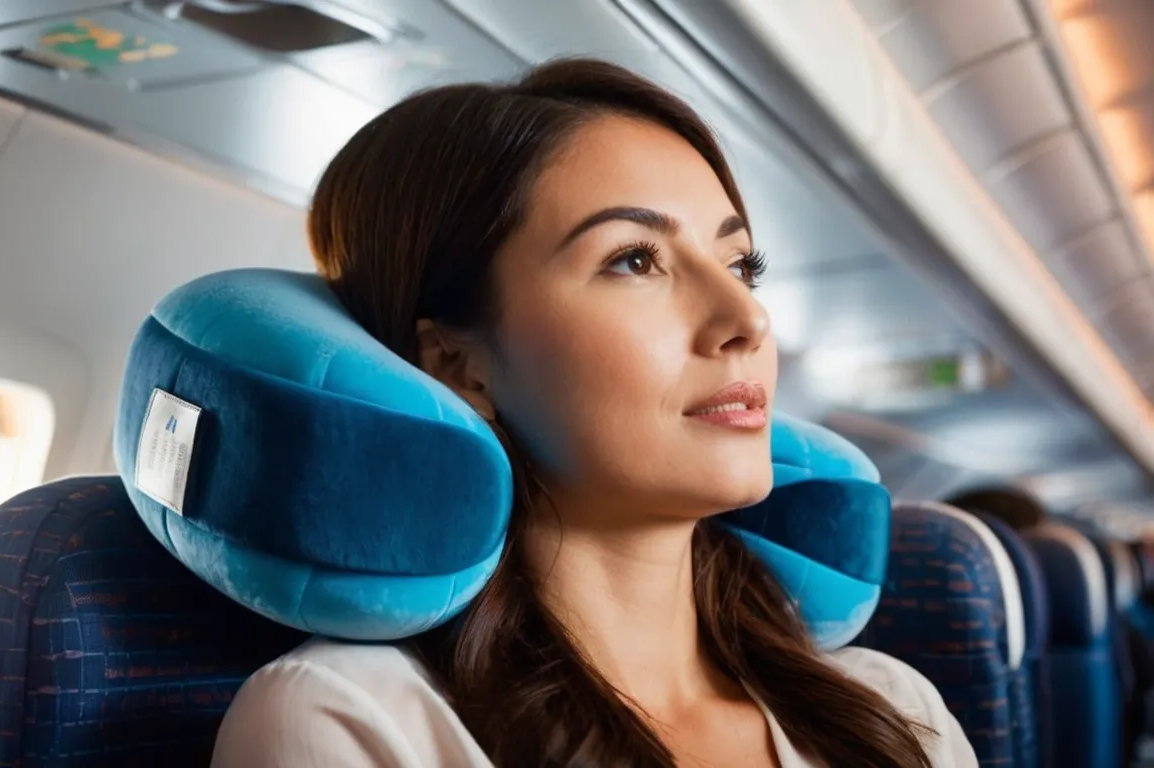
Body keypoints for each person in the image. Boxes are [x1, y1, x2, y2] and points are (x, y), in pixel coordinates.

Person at [211, 58, 978, 767]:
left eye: (742, 264)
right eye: (635, 260)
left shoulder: (893, 711)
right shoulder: (356, 722)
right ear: (456, 365)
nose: (747, 318)